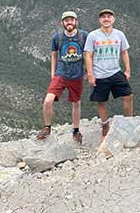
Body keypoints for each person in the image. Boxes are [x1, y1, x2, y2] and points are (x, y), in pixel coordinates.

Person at [37, 11, 88, 143]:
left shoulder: (84, 36)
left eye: (71, 19)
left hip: (77, 75)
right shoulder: (57, 38)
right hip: (61, 74)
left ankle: (76, 131)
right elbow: (54, 54)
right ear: (62, 23)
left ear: (76, 21)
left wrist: (88, 71)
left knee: (76, 103)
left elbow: (88, 55)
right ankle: (47, 127)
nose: (69, 22)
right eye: (66, 20)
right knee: (48, 100)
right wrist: (53, 72)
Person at [84, 9, 133, 139]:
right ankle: (105, 124)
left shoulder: (119, 34)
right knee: (101, 101)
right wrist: (90, 74)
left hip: (116, 71)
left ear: (113, 19)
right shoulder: (93, 35)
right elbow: (88, 55)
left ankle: (129, 123)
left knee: (128, 95)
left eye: (109, 17)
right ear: (99, 20)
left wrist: (127, 69)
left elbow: (124, 52)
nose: (106, 19)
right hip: (99, 74)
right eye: (103, 17)